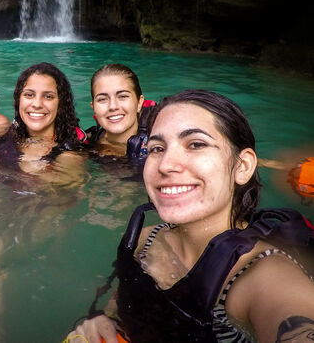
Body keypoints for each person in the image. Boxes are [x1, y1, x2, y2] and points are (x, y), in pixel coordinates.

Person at [67, 89, 314, 342]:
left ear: (242, 167)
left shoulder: (263, 277)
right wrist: (103, 321)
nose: (166, 164)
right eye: (157, 148)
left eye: (196, 144)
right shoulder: (144, 240)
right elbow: (119, 308)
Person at [0, 62, 85, 184]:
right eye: (29, 95)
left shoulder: (69, 156)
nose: (37, 104)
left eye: (48, 96)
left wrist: (40, 174)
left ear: (60, 104)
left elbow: (65, 200)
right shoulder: (4, 138)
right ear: (19, 100)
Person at [86, 64, 154, 164]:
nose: (113, 106)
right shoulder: (86, 143)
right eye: (102, 99)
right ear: (93, 107)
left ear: (139, 102)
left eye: (122, 96)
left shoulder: (159, 145)